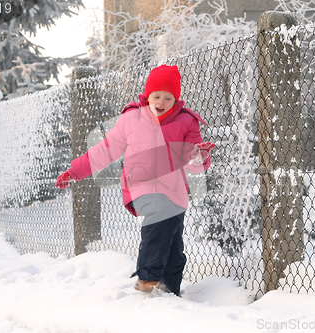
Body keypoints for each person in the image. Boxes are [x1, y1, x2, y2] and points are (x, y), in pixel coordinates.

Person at [55, 65, 215, 296]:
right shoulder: (131, 118)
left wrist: (199, 156)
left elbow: (192, 160)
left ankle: (169, 292)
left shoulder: (186, 122)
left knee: (173, 244)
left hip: (174, 190)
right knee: (160, 215)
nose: (161, 101)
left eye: (168, 97)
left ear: (176, 99)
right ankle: (147, 278)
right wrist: (74, 171)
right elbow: (105, 150)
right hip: (140, 186)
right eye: (157, 96)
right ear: (147, 95)